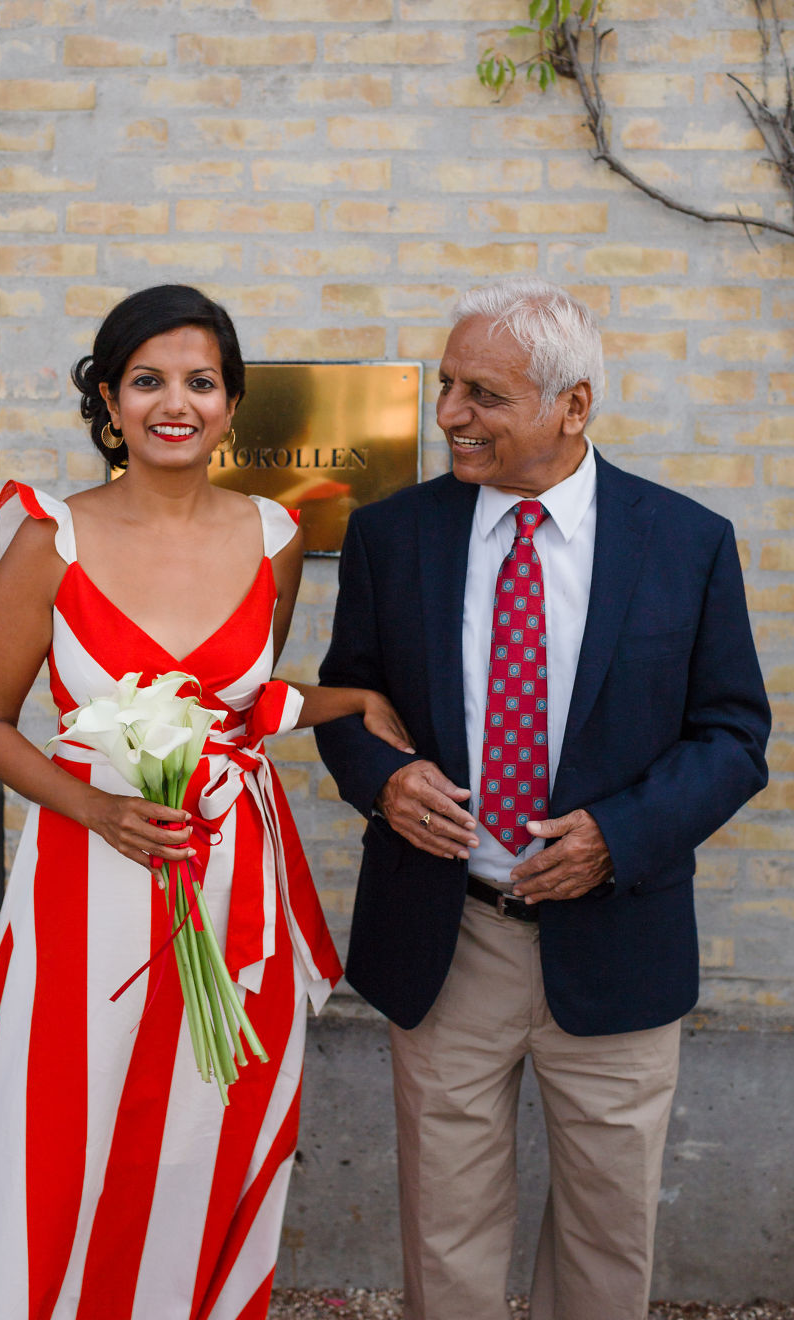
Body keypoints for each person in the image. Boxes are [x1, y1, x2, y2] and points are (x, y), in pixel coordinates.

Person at [0, 284, 413, 1320]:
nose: (173, 402)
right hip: (85, 882)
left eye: (200, 381)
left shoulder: (276, 537)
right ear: (109, 400)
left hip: (234, 879)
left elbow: (233, 702)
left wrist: (349, 697)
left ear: (233, 405)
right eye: (147, 380)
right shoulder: (46, 540)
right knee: (62, 1128)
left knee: (208, 1127)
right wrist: (97, 810)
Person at [315, 276, 771, 1320]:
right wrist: (384, 784)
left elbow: (734, 737)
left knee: (610, 1237)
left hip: (615, 941)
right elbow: (346, 705)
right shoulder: (394, 536)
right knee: (445, 1228)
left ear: (573, 406)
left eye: (483, 395)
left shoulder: (686, 542)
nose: (449, 417)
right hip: (446, 936)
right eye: (445, 388)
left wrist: (619, 835)